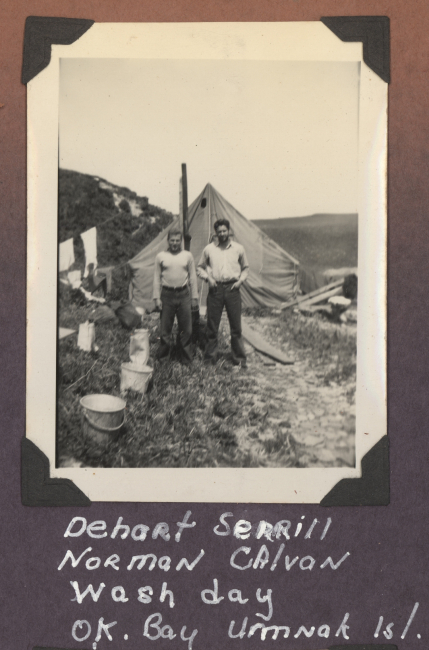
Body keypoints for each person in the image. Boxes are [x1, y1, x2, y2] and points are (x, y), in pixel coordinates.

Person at [197, 219, 249, 368]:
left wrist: (239, 282)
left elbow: (246, 268)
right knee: (212, 326)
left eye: (224, 231)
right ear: (216, 233)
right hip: (215, 289)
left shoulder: (238, 248)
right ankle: (209, 361)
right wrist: (209, 279)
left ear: (228, 231)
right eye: (219, 231)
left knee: (236, 327)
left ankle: (239, 360)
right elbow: (200, 268)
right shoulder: (209, 249)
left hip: (233, 289)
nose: (222, 234)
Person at [153, 230, 199, 364]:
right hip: (167, 295)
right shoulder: (160, 256)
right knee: (165, 330)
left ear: (181, 241)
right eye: (172, 240)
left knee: (187, 330)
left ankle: (186, 360)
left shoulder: (187, 256)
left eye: (177, 240)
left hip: (184, 294)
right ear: (168, 241)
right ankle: (163, 360)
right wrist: (156, 297)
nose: (174, 243)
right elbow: (156, 278)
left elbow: (193, 277)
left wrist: (194, 297)